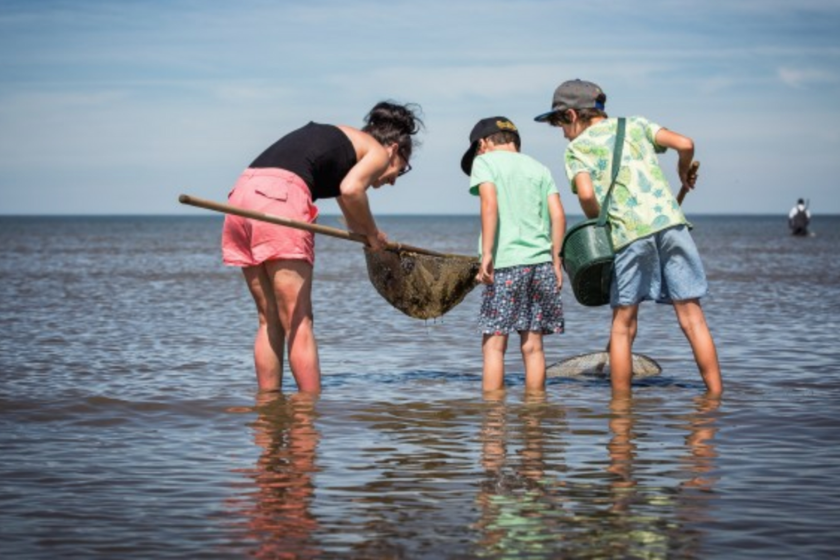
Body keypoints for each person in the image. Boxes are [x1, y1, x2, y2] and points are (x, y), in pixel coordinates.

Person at [534, 79, 722, 396]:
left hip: (629, 234)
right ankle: (716, 395)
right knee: (693, 319)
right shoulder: (636, 125)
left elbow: (585, 192)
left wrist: (597, 221)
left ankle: (621, 407)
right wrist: (683, 170)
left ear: (572, 116)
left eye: (560, 125)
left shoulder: (577, 149)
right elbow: (686, 143)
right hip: (672, 225)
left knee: (623, 326)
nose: (563, 134)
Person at [222, 101, 423, 393]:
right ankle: (308, 414)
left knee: (269, 321)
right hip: (280, 198)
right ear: (394, 149)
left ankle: (268, 411)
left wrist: (371, 237)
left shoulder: (345, 145)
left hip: (241, 196)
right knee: (298, 320)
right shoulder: (378, 151)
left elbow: (352, 210)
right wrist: (372, 232)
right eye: (400, 170)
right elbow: (352, 190)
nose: (392, 180)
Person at [462, 116, 566, 393]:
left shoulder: (485, 162)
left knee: (494, 345)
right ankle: (535, 417)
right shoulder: (540, 168)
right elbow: (558, 215)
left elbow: (489, 204)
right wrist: (557, 260)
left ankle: (493, 420)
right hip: (541, 266)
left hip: (507, 265)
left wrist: (486, 253)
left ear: (483, 143)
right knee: (533, 346)